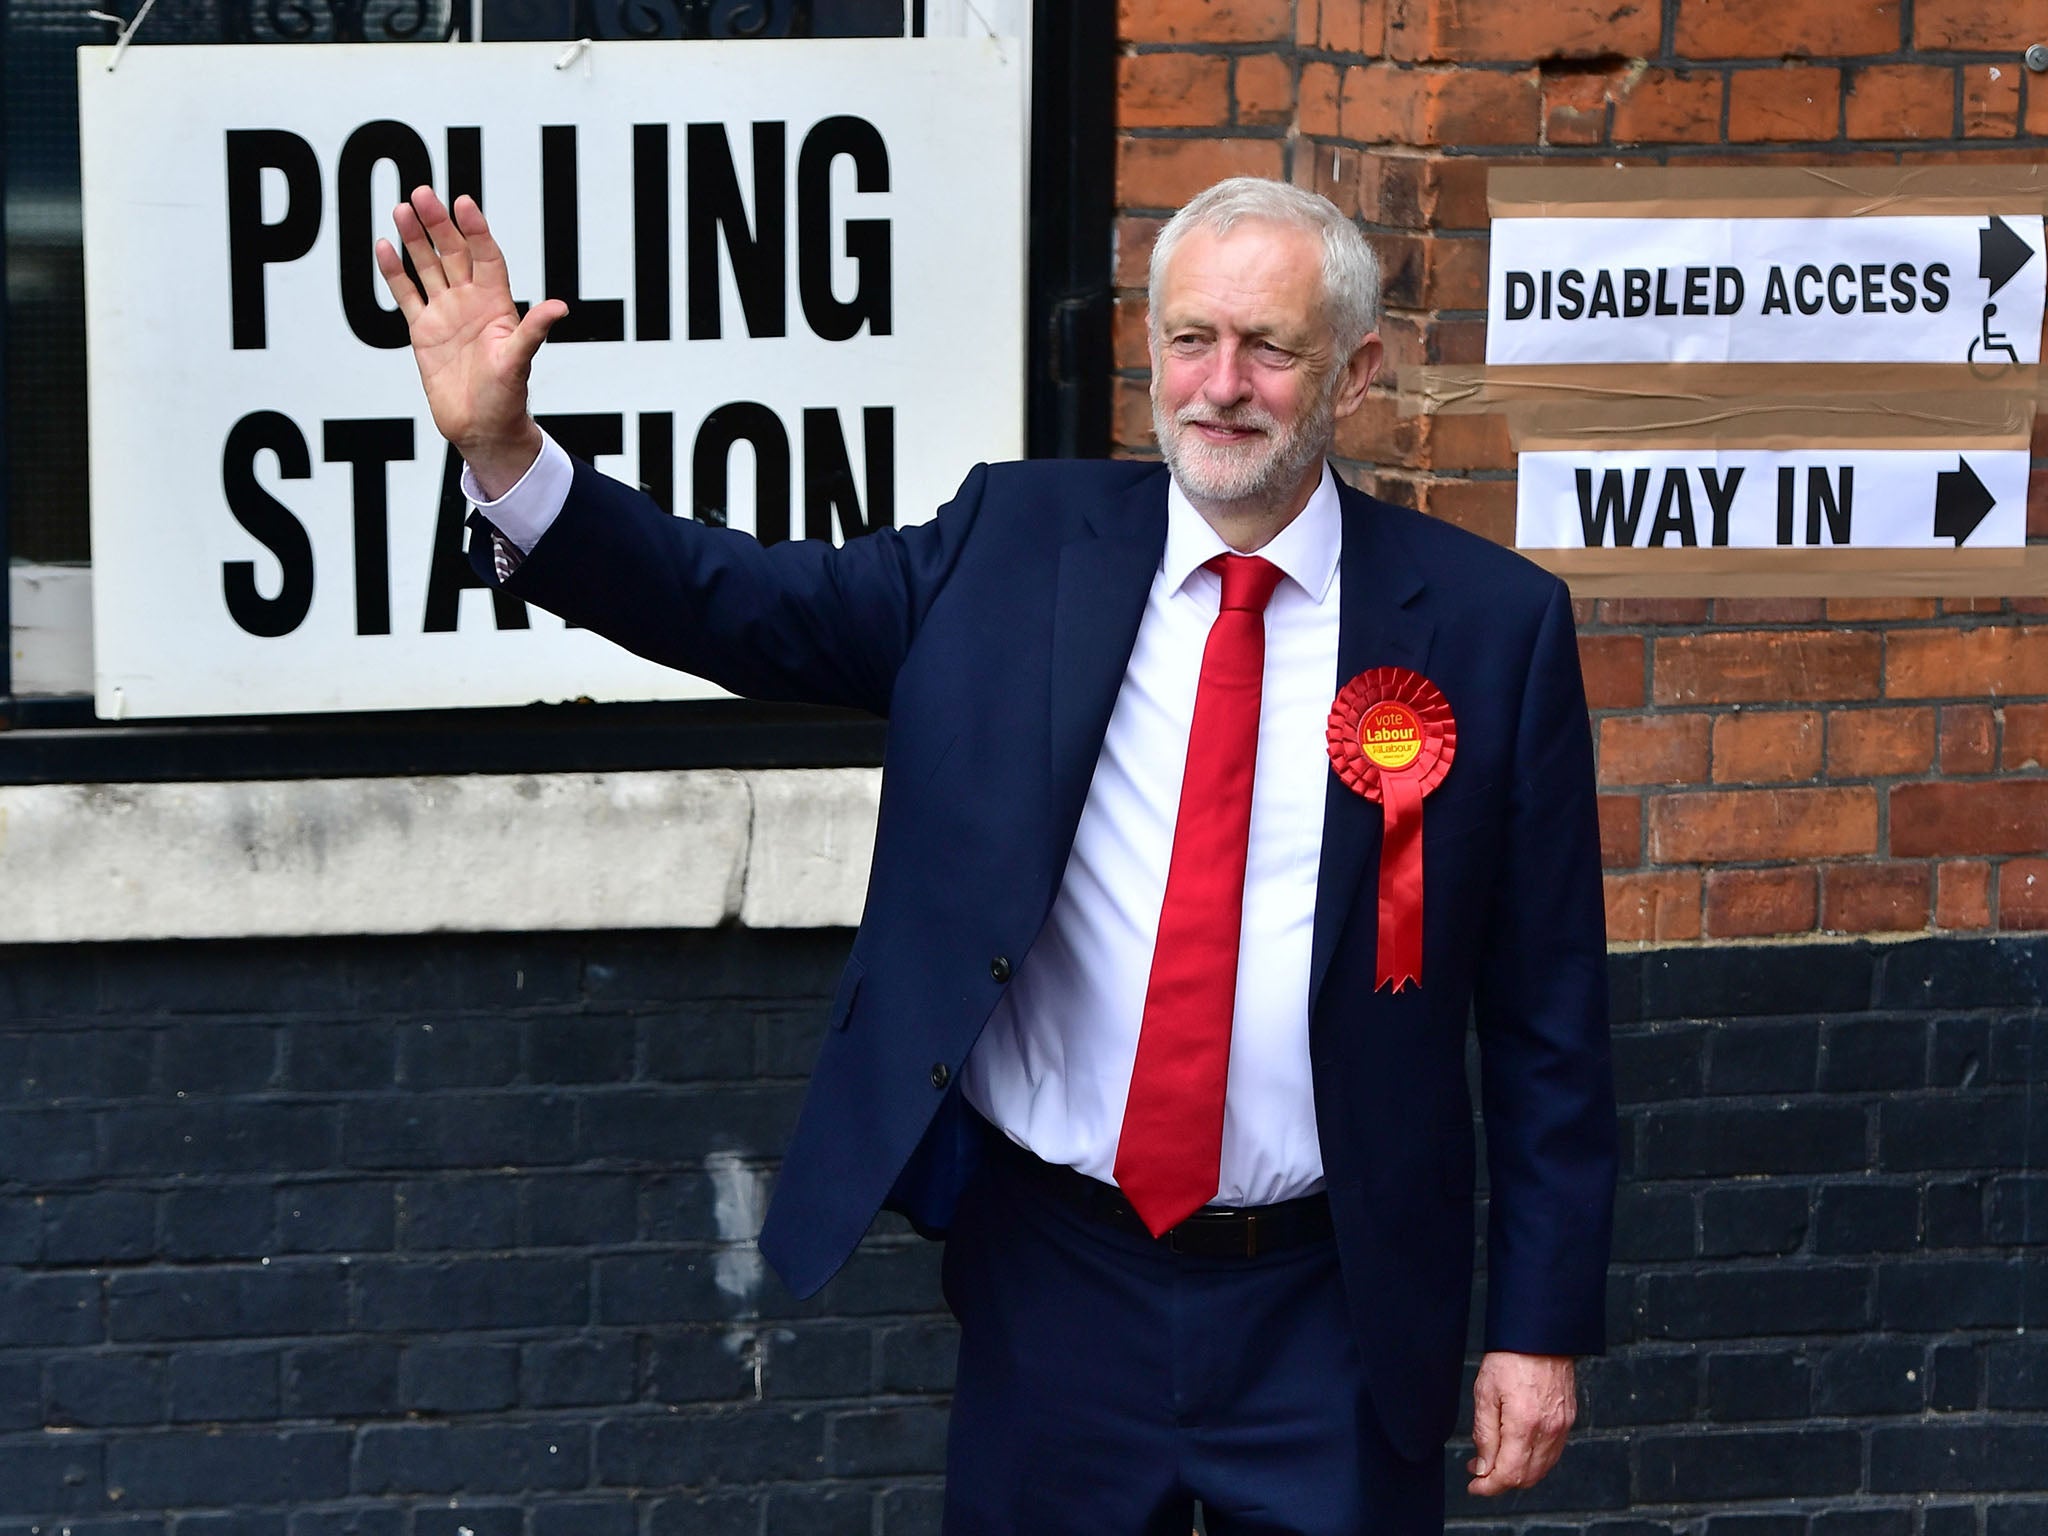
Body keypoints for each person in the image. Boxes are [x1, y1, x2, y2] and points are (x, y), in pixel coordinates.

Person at [378, 175, 1616, 1535]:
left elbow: (1549, 1015)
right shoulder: (1014, 544)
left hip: (1333, 1302)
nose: (1221, 385)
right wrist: (506, 452)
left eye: (1270, 347)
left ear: (1357, 371)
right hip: (1060, 1285)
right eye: (1191, 339)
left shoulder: (1491, 631)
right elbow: (728, 602)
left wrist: (1538, 1325)